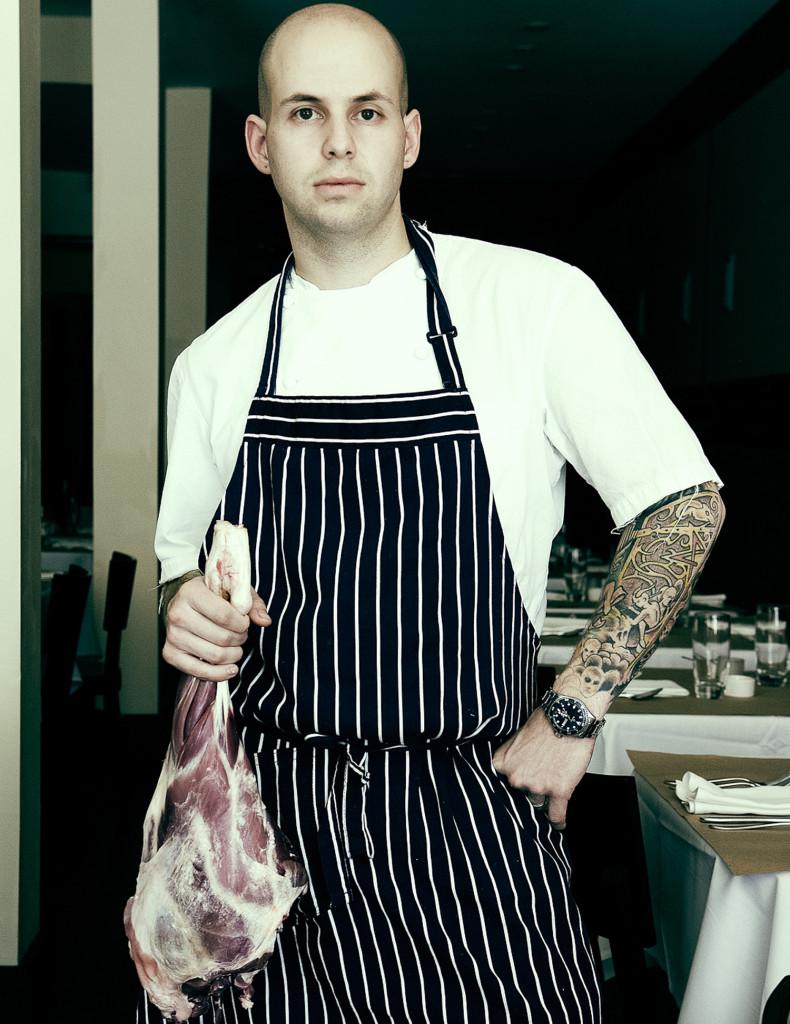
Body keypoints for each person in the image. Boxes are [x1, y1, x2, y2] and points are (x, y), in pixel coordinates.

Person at [144, 4, 724, 1021]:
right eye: (304, 112)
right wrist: (180, 608)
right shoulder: (215, 365)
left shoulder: (530, 303)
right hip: (269, 842)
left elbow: (684, 504)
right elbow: (178, 582)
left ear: (407, 137)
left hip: (468, 819)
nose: (336, 141)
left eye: (367, 112)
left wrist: (575, 709)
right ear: (259, 142)